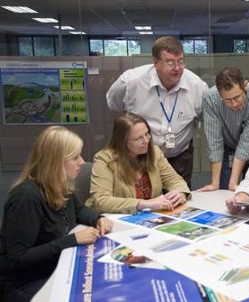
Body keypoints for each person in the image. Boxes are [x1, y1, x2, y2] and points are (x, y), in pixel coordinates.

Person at [0, 126, 113, 302]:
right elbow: (19, 258)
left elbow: (79, 210)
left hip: (57, 266)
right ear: (56, 161)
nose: (82, 162)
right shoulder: (26, 198)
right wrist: (72, 240)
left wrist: (98, 219)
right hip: (27, 281)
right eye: (75, 157)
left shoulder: (60, 184)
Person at [106, 36, 209, 188]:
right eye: (170, 62)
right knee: (143, 198)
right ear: (155, 63)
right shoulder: (130, 82)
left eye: (181, 62)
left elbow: (205, 117)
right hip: (141, 154)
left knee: (179, 198)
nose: (177, 68)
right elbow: (113, 103)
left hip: (180, 155)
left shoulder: (198, 87)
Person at [86, 112, 190, 214]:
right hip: (115, 220)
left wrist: (180, 193)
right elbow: (101, 201)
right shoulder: (104, 159)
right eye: (139, 138)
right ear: (122, 141)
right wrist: (142, 204)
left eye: (147, 134)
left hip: (150, 217)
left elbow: (175, 180)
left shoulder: (154, 152)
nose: (146, 141)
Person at [199, 67, 249, 191]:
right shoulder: (211, 99)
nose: (234, 104)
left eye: (237, 97)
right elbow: (214, 142)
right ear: (219, 93)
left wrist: (234, 183)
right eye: (227, 100)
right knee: (223, 190)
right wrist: (214, 183)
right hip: (227, 145)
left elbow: (247, 144)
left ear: (245, 85)